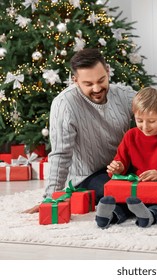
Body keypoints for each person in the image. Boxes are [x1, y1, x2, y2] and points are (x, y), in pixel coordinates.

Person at [23, 48, 136, 214]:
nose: (97, 88)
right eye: (88, 84)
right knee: (120, 192)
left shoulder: (125, 95)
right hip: (87, 175)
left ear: (108, 71)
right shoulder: (64, 104)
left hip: (122, 168)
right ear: (75, 80)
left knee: (150, 185)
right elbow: (61, 154)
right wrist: (49, 198)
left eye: (101, 80)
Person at [96, 87, 157, 229]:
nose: (145, 127)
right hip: (135, 190)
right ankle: (109, 216)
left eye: (151, 121)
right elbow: (120, 164)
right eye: (139, 120)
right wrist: (117, 168)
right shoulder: (131, 136)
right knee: (123, 203)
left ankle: (149, 216)